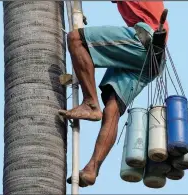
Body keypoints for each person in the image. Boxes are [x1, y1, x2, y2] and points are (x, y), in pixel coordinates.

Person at [59, 1, 169, 187]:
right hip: (155, 59)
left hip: (144, 39)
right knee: (113, 108)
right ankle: (92, 170)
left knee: (76, 39)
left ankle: (91, 104)